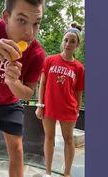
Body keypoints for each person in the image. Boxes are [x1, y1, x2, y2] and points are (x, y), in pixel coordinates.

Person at [0, 0, 46, 177]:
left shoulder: (36, 53)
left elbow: (28, 91)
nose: (30, 32)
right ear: (6, 17)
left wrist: (14, 83)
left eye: (36, 23)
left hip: (10, 104)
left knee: (18, 150)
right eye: (21, 20)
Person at [35, 23, 85, 177]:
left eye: (72, 41)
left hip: (68, 108)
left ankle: (67, 173)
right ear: (62, 41)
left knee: (68, 140)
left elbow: (78, 92)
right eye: (66, 40)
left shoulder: (79, 68)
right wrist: (39, 105)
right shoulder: (50, 60)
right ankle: (48, 173)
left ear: (77, 45)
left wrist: (76, 111)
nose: (68, 44)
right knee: (49, 138)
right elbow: (42, 83)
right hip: (49, 106)